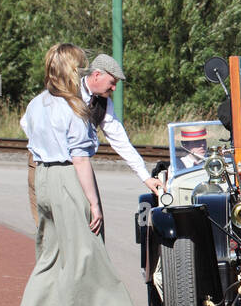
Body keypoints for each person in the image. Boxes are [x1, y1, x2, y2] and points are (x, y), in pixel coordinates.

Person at [5, 44, 137, 306]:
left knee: (51, 254)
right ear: (71, 70)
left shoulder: (38, 103)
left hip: (43, 177)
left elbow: (26, 127)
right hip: (66, 179)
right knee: (85, 254)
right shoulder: (75, 107)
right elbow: (80, 159)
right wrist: (93, 203)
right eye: (80, 66)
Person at [26, 52, 162, 224]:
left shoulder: (105, 104)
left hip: (77, 166)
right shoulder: (65, 91)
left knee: (86, 224)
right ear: (97, 75)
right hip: (43, 164)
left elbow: (121, 142)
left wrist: (145, 177)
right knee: (46, 226)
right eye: (112, 83)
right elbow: (31, 124)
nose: (114, 88)